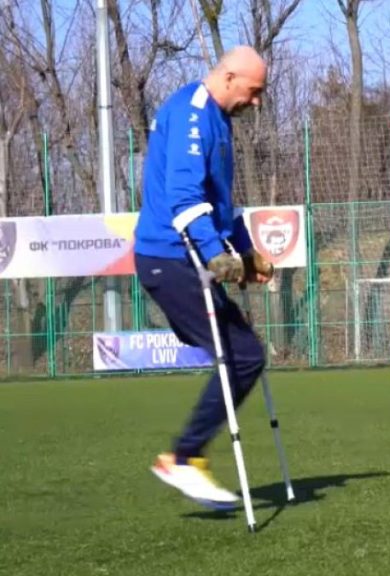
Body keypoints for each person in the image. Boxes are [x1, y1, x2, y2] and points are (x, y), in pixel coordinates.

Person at [133, 46, 274, 509]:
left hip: (182, 259)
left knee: (243, 354)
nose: (256, 102)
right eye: (253, 92)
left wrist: (246, 253)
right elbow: (184, 195)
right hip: (170, 258)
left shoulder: (221, 120)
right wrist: (217, 256)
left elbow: (220, 204)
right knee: (244, 355)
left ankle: (186, 456)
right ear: (230, 77)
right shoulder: (194, 111)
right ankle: (183, 457)